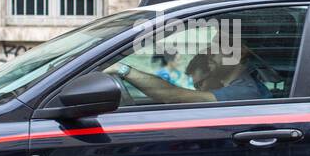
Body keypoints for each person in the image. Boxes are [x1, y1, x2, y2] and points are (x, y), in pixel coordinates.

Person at [107, 46, 268, 104]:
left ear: (241, 52)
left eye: (219, 45)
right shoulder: (234, 85)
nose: (209, 52)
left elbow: (172, 96)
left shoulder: (245, 92)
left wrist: (123, 70)